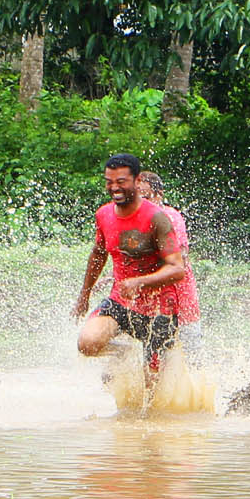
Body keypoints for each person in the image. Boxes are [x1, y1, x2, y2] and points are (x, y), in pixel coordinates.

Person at [73, 154, 188, 379]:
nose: (114, 188)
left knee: (152, 384)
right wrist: (84, 295)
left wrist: (140, 282)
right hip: (120, 301)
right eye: (109, 182)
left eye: (121, 182)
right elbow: (98, 255)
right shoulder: (104, 214)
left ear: (136, 181)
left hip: (159, 308)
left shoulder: (157, 217)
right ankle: (125, 354)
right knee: (88, 343)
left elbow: (177, 268)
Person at [135, 171, 203, 362]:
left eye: (146, 198)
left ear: (159, 195)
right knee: (154, 358)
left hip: (182, 299)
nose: (142, 204)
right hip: (153, 302)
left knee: (192, 356)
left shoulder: (171, 216)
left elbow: (180, 255)